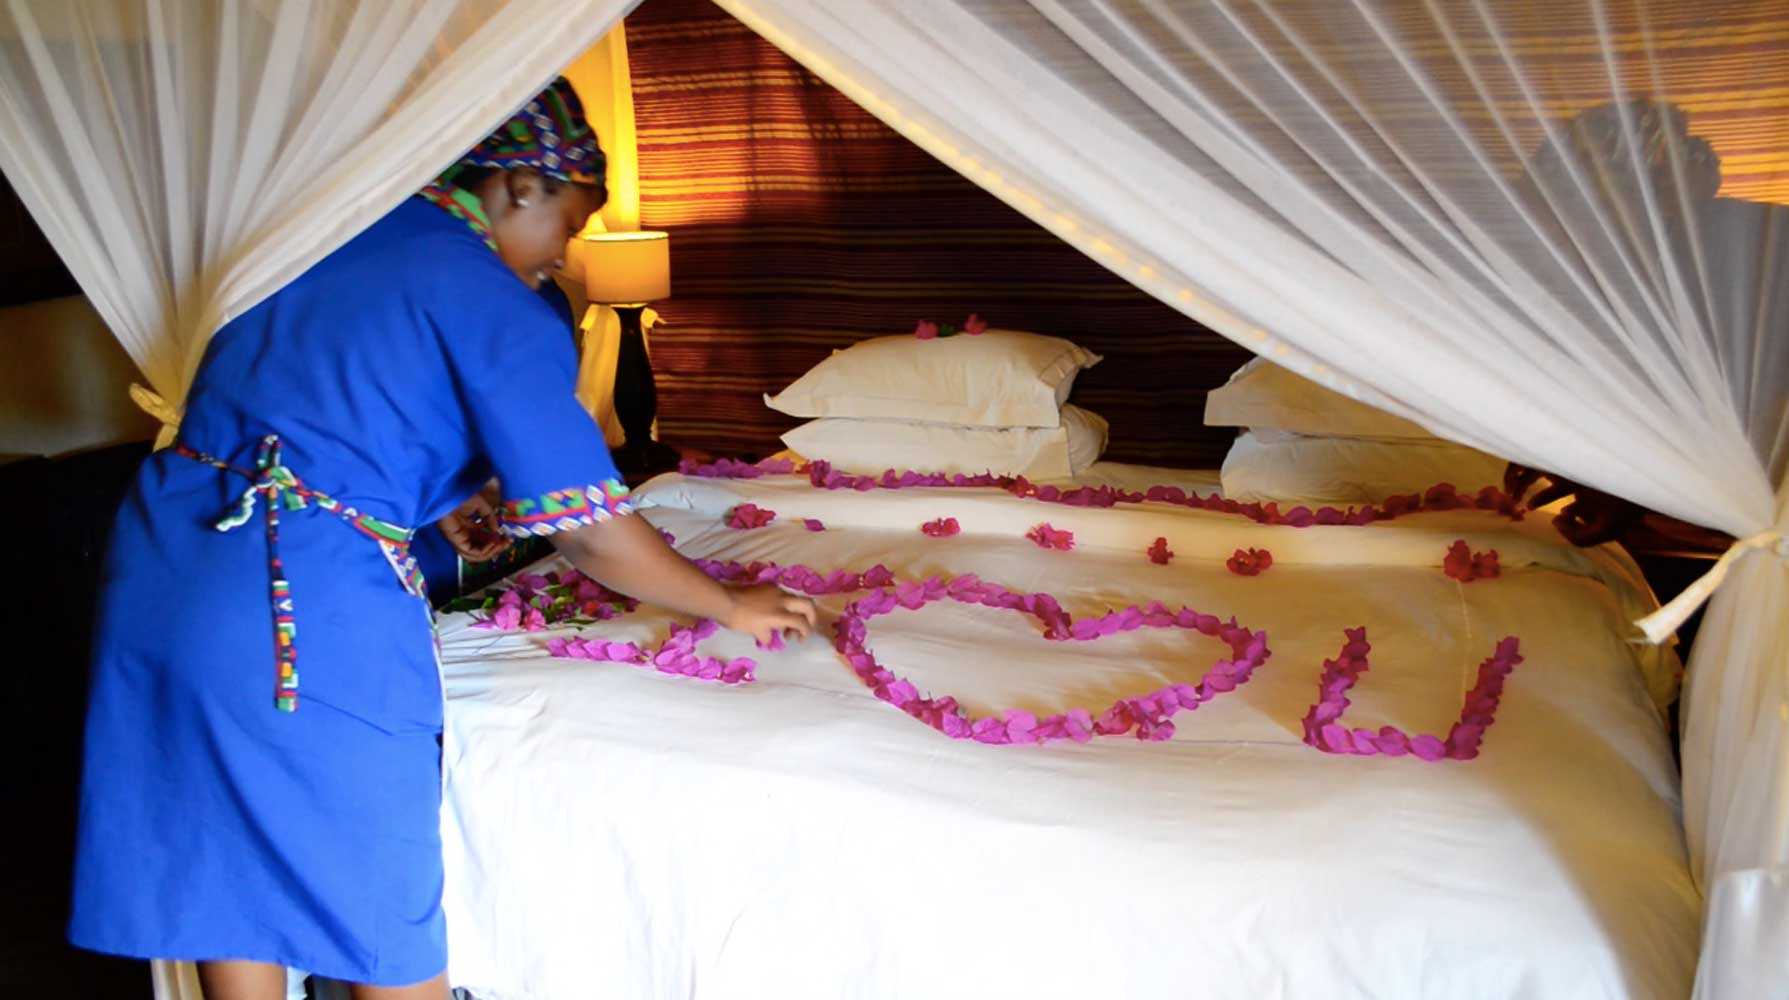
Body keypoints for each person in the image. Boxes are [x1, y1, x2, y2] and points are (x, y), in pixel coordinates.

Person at [67, 79, 816, 1000]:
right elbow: (590, 535)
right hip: (292, 596)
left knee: (223, 864)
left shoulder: (312, 238)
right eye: (569, 227)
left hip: (164, 561)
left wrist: (426, 503)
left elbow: (322, 418)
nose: (563, 258)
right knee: (385, 901)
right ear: (518, 187)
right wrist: (728, 601)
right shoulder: (490, 296)